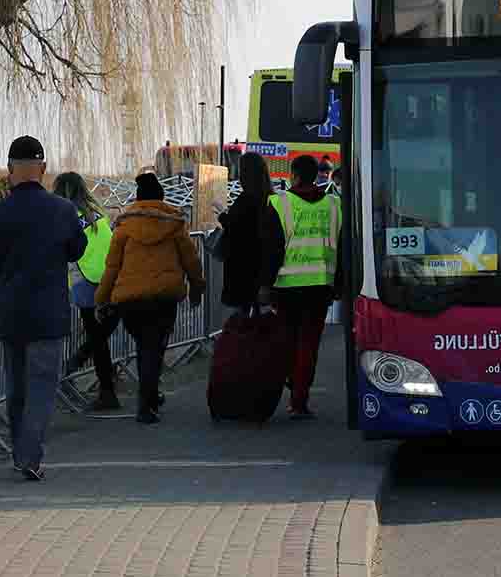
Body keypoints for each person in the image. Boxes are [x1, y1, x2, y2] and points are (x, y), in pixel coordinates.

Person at [0, 136, 87, 479]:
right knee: (41, 387)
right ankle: (29, 455)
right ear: (44, 169)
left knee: (16, 387)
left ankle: (19, 451)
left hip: (10, 312)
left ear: (9, 170)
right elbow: (77, 250)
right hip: (49, 313)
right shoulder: (63, 211)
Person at [96, 173, 205, 424]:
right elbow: (191, 261)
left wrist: (102, 298)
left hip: (130, 299)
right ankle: (147, 403)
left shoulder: (124, 227)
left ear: (138, 197)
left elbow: (112, 267)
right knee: (154, 348)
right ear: (161, 196)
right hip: (164, 296)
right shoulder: (175, 224)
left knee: (145, 346)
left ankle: (150, 396)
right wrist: (198, 288)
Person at [273, 154, 343, 418]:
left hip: (286, 286)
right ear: (317, 175)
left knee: (287, 341)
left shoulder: (280, 203)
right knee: (308, 344)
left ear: (294, 175)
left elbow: (272, 249)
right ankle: (299, 399)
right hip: (320, 287)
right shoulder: (335, 206)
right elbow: (343, 247)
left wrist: (265, 285)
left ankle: (292, 382)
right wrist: (340, 285)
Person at [54, 171, 121, 412]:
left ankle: (104, 388)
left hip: (85, 281)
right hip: (111, 278)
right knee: (100, 335)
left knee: (97, 338)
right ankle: (93, 371)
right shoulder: (96, 212)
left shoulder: (64, 214)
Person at [219, 152, 286, 309]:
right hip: (263, 274)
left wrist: (223, 218)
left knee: (247, 326)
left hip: (245, 274)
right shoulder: (271, 199)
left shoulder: (246, 201)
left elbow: (239, 230)